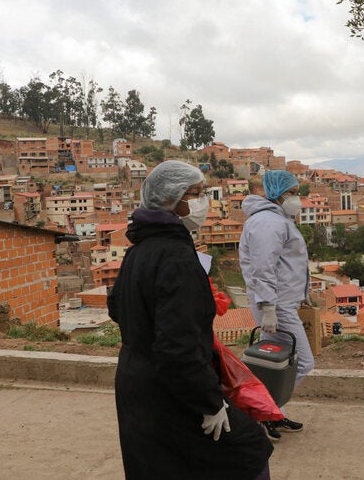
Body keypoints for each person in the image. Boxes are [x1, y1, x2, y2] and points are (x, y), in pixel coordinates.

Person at [108, 160, 273, 480]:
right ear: (172, 199)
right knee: (248, 452)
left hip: (136, 384)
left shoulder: (138, 250)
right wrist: (210, 403)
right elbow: (178, 349)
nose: (203, 202)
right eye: (196, 194)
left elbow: (117, 308)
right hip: (175, 390)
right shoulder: (177, 258)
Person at [239, 169, 314, 441]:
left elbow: (286, 264)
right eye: (292, 193)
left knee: (276, 364)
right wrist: (269, 306)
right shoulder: (268, 223)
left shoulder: (275, 219)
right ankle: (259, 412)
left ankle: (270, 414)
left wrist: (302, 293)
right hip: (276, 305)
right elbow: (263, 267)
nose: (297, 199)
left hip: (281, 302)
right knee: (302, 362)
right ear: (277, 194)